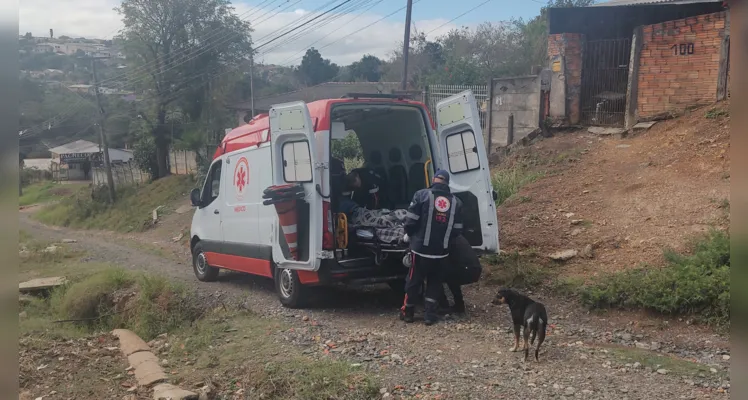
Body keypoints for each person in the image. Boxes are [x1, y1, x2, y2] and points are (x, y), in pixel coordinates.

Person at [400, 169, 463, 325]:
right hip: (441, 252)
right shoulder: (457, 202)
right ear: (447, 183)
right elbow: (457, 230)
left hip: (420, 250)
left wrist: (408, 234)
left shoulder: (421, 195)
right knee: (435, 282)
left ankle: (408, 313)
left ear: (433, 179)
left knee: (413, 280)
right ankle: (429, 316)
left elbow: (411, 220)